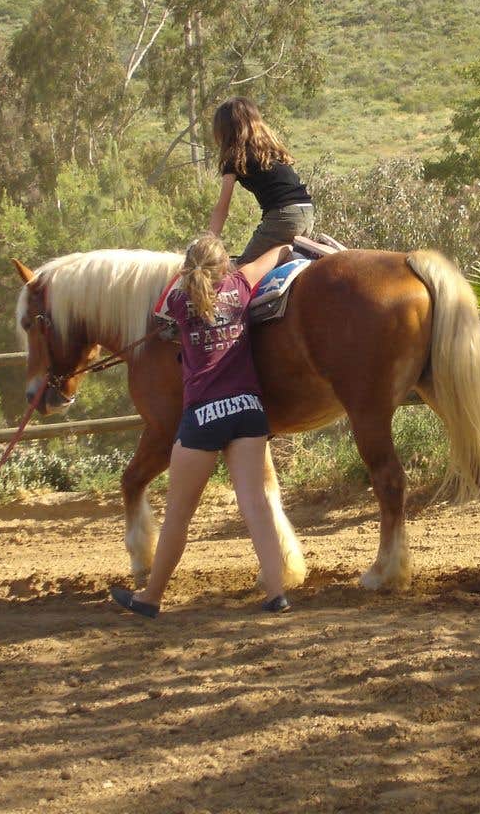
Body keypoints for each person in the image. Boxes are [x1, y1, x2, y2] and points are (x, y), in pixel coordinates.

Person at [110, 233, 292, 619]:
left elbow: (158, 312)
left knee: (178, 514)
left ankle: (151, 597)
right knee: (256, 505)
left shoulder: (177, 300)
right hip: (247, 408)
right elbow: (275, 255)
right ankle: (276, 593)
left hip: (204, 415)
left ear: (188, 268)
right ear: (224, 264)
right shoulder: (241, 285)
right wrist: (293, 246)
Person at [209, 96, 315, 262]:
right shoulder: (271, 151)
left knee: (242, 271)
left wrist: (209, 242)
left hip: (283, 216)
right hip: (307, 213)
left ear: (225, 131)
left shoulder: (233, 158)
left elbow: (222, 208)